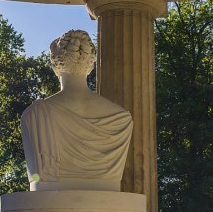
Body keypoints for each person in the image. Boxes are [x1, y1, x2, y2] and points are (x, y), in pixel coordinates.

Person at [20, 30, 132, 191]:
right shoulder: (122, 119)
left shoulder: (33, 116)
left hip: (51, 207)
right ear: (91, 64)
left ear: (55, 65)